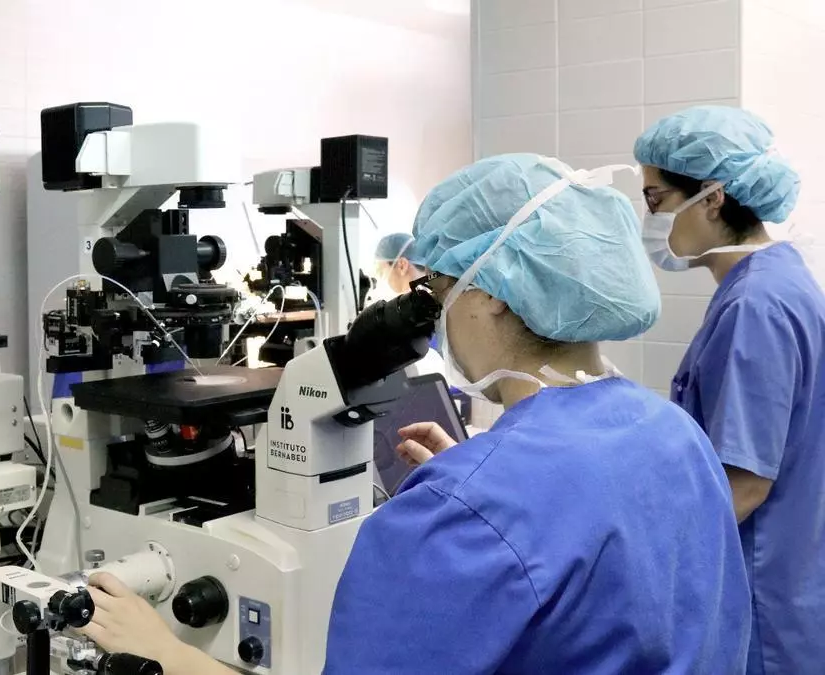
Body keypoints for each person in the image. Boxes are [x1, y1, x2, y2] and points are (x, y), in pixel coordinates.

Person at [73, 154, 751, 674]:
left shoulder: (465, 512)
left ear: (490, 293)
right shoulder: (674, 433)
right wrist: (475, 490)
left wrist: (166, 653)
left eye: (437, 288)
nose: (436, 314)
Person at [635, 105, 825, 674]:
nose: (650, 217)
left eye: (655, 198)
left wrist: (641, 555)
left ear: (712, 198)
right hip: (793, 579)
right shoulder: (780, 279)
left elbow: (743, 483)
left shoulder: (755, 305)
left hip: (765, 599)